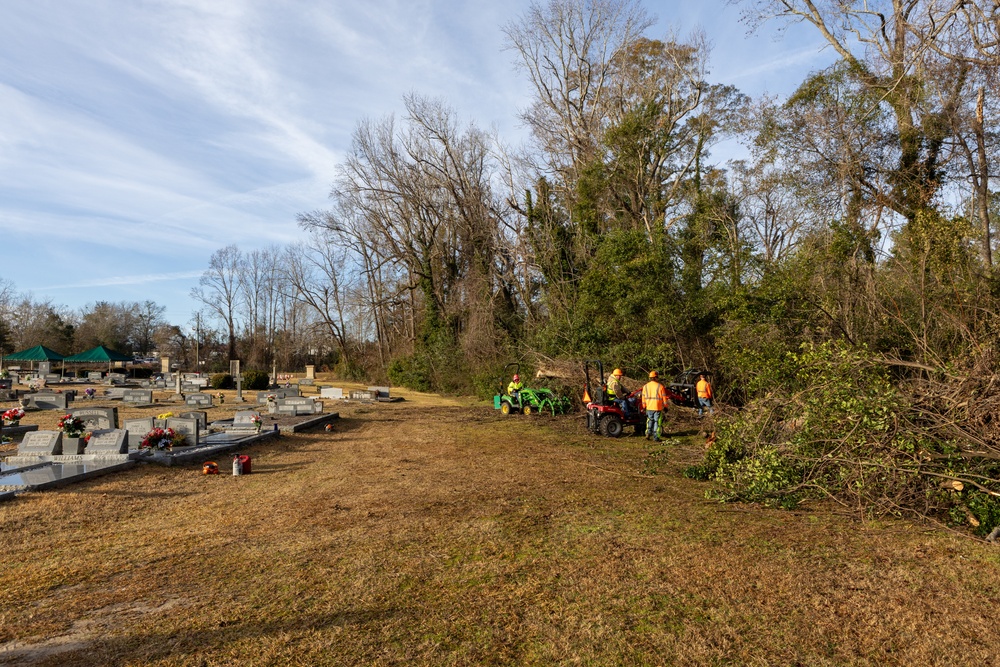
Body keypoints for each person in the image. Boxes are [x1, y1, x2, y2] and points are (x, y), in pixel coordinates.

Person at [641, 370, 669, 442]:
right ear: (656, 377)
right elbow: (664, 398)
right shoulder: (660, 387)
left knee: (649, 420)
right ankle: (656, 437)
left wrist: (644, 406)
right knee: (657, 422)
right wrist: (665, 406)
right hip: (657, 407)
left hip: (649, 406)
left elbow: (643, 398)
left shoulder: (645, 387)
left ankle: (648, 433)